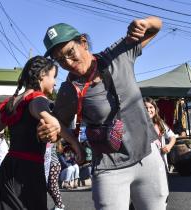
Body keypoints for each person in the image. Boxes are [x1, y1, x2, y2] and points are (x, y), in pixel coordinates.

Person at [39, 16, 168, 210]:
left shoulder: (117, 55)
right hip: (109, 168)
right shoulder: (68, 90)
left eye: (70, 52)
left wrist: (145, 23)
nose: (67, 62)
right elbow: (58, 125)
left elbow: (156, 27)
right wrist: (72, 143)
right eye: (59, 60)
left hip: (147, 156)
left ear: (83, 42)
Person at [0, 56, 83, 210]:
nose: (55, 82)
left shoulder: (12, 103)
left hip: (8, 169)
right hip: (29, 174)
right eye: (53, 76)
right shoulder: (37, 100)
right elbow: (54, 123)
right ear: (42, 75)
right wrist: (75, 143)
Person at [143, 97, 177, 168]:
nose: (148, 110)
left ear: (155, 109)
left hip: (160, 162)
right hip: (145, 163)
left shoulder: (160, 123)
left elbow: (172, 137)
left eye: (151, 107)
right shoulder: (137, 124)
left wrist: (169, 146)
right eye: (145, 108)